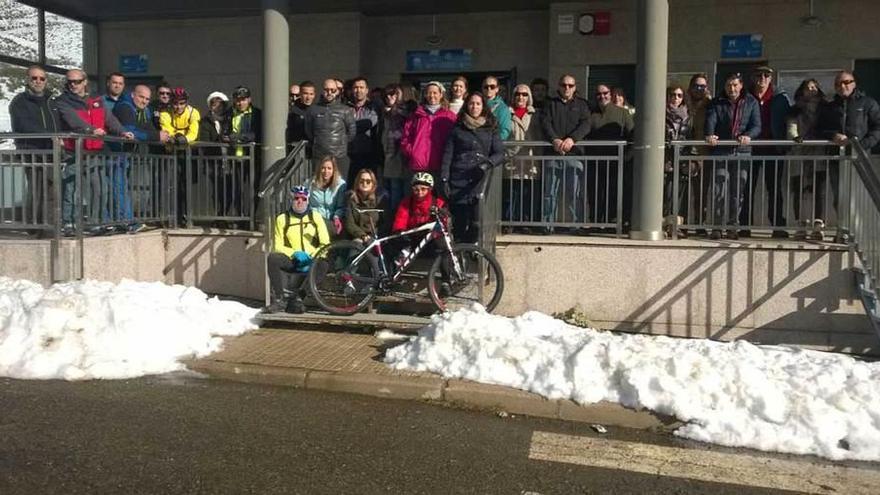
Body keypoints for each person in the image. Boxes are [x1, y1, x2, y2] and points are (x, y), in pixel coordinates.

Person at [56, 68, 133, 233]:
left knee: (100, 188)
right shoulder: (63, 101)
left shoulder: (96, 100)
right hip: (74, 152)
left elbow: (109, 119)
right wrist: (91, 130)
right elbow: (72, 120)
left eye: (76, 81)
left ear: (84, 82)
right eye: (69, 81)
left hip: (94, 152)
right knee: (72, 189)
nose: (73, 85)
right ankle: (68, 223)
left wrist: (121, 131)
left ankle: (95, 222)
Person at [817, 70, 880, 242]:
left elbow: (877, 128)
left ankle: (857, 234)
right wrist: (833, 136)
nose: (842, 86)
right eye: (838, 84)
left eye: (846, 82)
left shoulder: (868, 103)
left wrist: (861, 145)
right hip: (837, 159)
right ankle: (843, 232)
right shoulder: (830, 106)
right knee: (840, 197)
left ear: (854, 83)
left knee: (857, 197)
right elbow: (820, 129)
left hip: (858, 159)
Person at [441, 92, 505, 244]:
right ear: (466, 106)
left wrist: (487, 164)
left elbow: (500, 153)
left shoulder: (490, 127)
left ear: (483, 106)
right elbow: (447, 155)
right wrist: (444, 178)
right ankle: (458, 259)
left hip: (479, 179)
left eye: (478, 104)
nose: (474, 107)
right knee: (459, 224)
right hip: (458, 180)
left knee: (477, 222)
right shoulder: (457, 129)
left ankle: (473, 250)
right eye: (471, 103)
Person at [705, 73, 762, 240]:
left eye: (735, 85)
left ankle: (732, 226)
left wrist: (749, 135)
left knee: (738, 191)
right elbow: (711, 121)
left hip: (742, 152)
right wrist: (710, 134)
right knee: (718, 190)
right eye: (729, 85)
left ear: (741, 85)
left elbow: (757, 125)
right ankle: (717, 227)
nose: (732, 89)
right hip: (721, 151)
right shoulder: (717, 102)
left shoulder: (751, 102)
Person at [113, 84, 171, 232]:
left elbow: (145, 127)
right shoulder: (125, 108)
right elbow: (131, 131)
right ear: (133, 95)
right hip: (115, 154)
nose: (144, 101)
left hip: (124, 155)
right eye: (141, 97)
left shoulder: (142, 110)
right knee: (118, 187)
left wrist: (161, 135)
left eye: (147, 99)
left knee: (120, 187)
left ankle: (125, 221)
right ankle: (126, 222)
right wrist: (157, 136)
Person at [266, 185, 331, 314]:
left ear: (308, 200)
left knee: (324, 264)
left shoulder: (315, 217)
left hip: (311, 259)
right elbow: (277, 245)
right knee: (273, 258)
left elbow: (325, 243)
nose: (300, 201)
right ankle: (280, 299)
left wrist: (311, 255)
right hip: (293, 260)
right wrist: (294, 253)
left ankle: (299, 297)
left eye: (303, 199)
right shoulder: (282, 219)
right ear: (291, 200)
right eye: (296, 198)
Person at [9, 64, 60, 227]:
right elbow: (24, 124)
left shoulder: (51, 101)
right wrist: (50, 135)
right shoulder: (19, 102)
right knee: (37, 189)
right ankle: (34, 225)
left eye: (42, 78)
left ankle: (50, 223)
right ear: (27, 80)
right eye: (34, 78)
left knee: (52, 189)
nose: (38, 81)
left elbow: (59, 122)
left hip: (52, 152)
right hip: (31, 151)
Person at [743, 65, 791, 238]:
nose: (762, 78)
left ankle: (778, 225)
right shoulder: (746, 97)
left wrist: (790, 140)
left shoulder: (780, 97)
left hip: (774, 149)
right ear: (753, 78)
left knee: (774, 188)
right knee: (747, 188)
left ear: (771, 78)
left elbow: (790, 119)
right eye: (758, 75)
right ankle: (744, 225)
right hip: (750, 149)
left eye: (766, 75)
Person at [541, 74, 591, 232]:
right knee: (550, 193)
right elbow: (545, 123)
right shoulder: (550, 104)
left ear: (575, 87)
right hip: (552, 154)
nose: (567, 88)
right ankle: (547, 225)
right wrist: (554, 139)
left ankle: (577, 226)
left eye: (570, 85)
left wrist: (572, 139)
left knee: (575, 193)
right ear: (559, 86)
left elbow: (586, 124)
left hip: (574, 155)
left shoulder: (582, 105)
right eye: (564, 85)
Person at [786, 79, 827, 240]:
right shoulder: (795, 109)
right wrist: (796, 138)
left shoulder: (825, 108)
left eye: (814, 87)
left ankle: (818, 223)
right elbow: (791, 126)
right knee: (798, 189)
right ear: (802, 91)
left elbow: (829, 125)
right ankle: (800, 223)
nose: (811, 90)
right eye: (807, 88)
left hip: (819, 153)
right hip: (799, 152)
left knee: (819, 189)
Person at [590, 83, 635, 227]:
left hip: (617, 163)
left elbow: (633, 136)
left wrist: (627, 156)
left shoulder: (622, 113)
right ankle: (596, 223)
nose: (602, 96)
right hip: (596, 162)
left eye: (605, 93)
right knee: (596, 194)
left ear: (610, 94)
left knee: (614, 194)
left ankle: (613, 223)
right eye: (599, 94)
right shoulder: (591, 113)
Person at [399, 81, 457, 184]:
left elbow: (456, 139)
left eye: (435, 93)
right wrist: (413, 153)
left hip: (440, 165)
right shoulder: (416, 116)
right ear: (425, 95)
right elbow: (405, 137)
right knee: (419, 198)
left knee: (439, 198)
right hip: (419, 165)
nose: (432, 96)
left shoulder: (449, 116)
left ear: (441, 95)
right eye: (429, 93)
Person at [159, 87, 200, 223]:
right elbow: (166, 128)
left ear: (186, 103)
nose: (179, 106)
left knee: (187, 185)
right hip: (172, 152)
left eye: (182, 103)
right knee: (173, 185)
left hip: (187, 153)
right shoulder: (165, 113)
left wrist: (185, 139)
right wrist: (175, 136)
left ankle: (187, 215)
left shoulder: (193, 112)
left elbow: (194, 131)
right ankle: (175, 215)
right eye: (176, 103)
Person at [504, 83, 541, 232]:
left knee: (528, 194)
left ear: (529, 97)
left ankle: (526, 223)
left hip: (530, 159)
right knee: (511, 194)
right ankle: (509, 223)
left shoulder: (536, 114)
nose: (521, 97)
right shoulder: (506, 113)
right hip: (511, 159)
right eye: (518, 94)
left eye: (525, 94)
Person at [305, 78, 356, 178]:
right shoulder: (312, 110)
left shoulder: (346, 110)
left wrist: (341, 142)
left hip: (339, 156)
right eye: (326, 90)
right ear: (322, 90)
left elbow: (352, 132)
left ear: (337, 91)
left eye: (333, 90)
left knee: (339, 186)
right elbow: (309, 131)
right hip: (319, 155)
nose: (329, 93)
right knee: (319, 185)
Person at [686, 73, 713, 231]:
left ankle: (699, 223)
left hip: (703, 153)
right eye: (696, 86)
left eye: (702, 86)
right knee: (683, 192)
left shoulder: (711, 105)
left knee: (701, 191)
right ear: (690, 88)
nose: (699, 89)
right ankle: (681, 224)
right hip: (685, 152)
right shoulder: (684, 103)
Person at [663, 84, 691, 235]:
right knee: (666, 195)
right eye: (673, 95)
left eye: (679, 95)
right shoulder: (661, 114)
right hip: (666, 160)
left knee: (679, 196)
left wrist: (692, 162)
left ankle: (677, 227)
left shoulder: (688, 116)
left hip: (682, 160)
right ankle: (666, 225)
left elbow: (691, 138)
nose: (676, 98)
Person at [379, 83, 410, 214]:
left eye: (393, 94)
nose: (389, 97)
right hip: (387, 153)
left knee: (396, 188)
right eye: (387, 95)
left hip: (398, 154)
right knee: (388, 188)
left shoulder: (402, 112)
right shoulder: (384, 112)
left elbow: (401, 133)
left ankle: (395, 217)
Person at [347, 76, 379, 183]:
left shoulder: (373, 107)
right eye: (356, 87)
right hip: (349, 153)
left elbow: (369, 123)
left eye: (361, 87)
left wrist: (349, 127)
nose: (358, 90)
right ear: (352, 90)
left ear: (367, 90)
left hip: (368, 154)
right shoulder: (345, 108)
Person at [345, 168, 389, 245]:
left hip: (376, 237)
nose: (365, 184)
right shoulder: (351, 200)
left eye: (368, 181)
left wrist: (374, 235)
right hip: (358, 237)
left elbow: (386, 222)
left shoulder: (380, 200)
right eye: (362, 181)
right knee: (354, 253)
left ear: (373, 184)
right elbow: (349, 224)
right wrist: (362, 235)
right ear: (357, 183)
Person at [308, 155, 347, 238]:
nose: (326, 171)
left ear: (334, 170)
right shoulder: (311, 184)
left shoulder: (340, 185)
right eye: (323, 168)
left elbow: (341, 206)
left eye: (329, 168)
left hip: (332, 219)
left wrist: (336, 217)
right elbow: (306, 202)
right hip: (315, 219)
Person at [286, 80, 314, 146]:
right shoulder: (289, 111)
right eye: (291, 95)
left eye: (297, 95)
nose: (294, 98)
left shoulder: (314, 110)